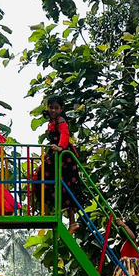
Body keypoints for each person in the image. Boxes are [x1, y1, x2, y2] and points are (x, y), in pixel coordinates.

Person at [41, 96, 84, 230]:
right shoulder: (52, 122)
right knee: (51, 183)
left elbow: (65, 135)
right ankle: (51, 213)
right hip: (57, 155)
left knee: (66, 187)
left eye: (56, 108)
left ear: (61, 109)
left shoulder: (61, 121)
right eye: (51, 107)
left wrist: (60, 147)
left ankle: (71, 221)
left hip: (64, 158)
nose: (53, 110)